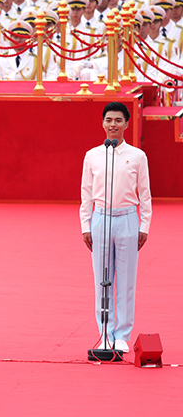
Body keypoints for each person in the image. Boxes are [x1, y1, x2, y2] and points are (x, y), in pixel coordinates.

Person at [80, 102, 151, 353]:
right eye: (109, 120)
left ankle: (122, 334)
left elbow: (145, 194)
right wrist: (85, 225)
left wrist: (144, 225)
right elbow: (86, 195)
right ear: (102, 123)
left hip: (128, 219)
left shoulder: (137, 156)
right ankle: (105, 334)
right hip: (100, 219)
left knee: (126, 280)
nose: (113, 125)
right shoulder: (92, 155)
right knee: (102, 280)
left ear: (126, 124)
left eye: (118, 120)